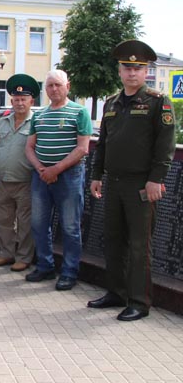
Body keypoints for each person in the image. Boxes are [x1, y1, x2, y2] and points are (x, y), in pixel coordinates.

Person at [89, 40, 176, 321]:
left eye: (138, 68)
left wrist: (156, 179)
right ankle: (116, 292)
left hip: (141, 185)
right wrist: (96, 175)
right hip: (113, 182)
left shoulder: (157, 101)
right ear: (119, 70)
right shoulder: (112, 103)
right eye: (127, 67)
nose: (132, 73)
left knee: (140, 245)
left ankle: (139, 301)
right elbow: (103, 143)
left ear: (146, 71)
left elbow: (166, 145)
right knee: (113, 240)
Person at [25, 69, 92, 291]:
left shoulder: (79, 112)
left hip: (69, 176)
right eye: (50, 86)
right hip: (41, 175)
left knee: (70, 226)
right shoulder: (39, 115)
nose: (54, 89)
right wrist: (41, 169)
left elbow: (82, 148)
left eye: (58, 85)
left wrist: (56, 169)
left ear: (67, 86)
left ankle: (69, 272)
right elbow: (30, 147)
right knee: (39, 223)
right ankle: (45, 265)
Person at [0, 74, 39, 272]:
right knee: (5, 221)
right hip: (3, 181)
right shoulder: (2, 123)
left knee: (25, 223)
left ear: (31, 101)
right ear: (11, 101)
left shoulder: (36, 122)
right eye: (16, 99)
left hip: (26, 181)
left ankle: (24, 257)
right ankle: (6, 254)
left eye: (23, 99)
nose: (19, 103)